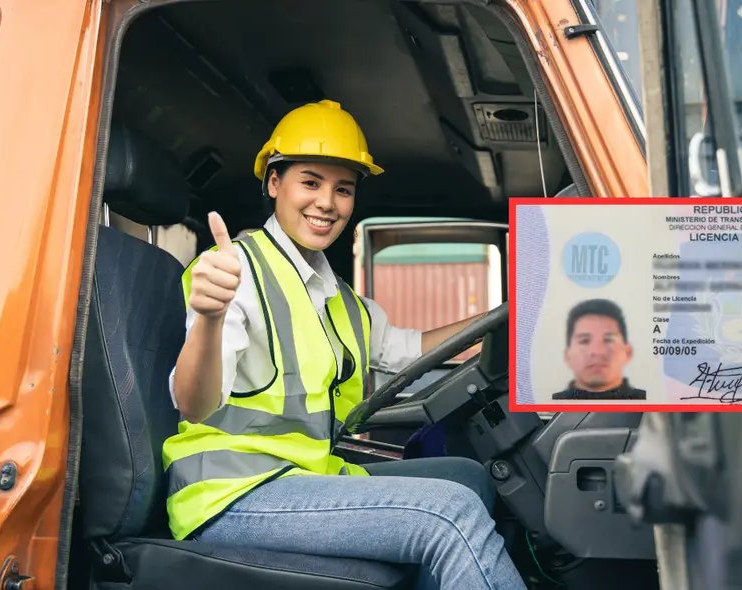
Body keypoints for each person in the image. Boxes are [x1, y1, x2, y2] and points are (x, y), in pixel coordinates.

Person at [164, 99, 527, 590]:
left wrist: (502, 316)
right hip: (232, 495)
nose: (327, 203)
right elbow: (193, 403)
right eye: (310, 182)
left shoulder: (339, 299)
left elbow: (409, 349)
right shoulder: (236, 272)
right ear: (275, 183)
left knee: (468, 477)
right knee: (450, 513)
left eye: (343, 190)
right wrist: (209, 317)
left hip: (301, 479)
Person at [551, 298, 646, 400]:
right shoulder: (549, 403)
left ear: (628, 352)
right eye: (584, 341)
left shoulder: (650, 401)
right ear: (567, 356)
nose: (597, 351)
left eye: (608, 340)